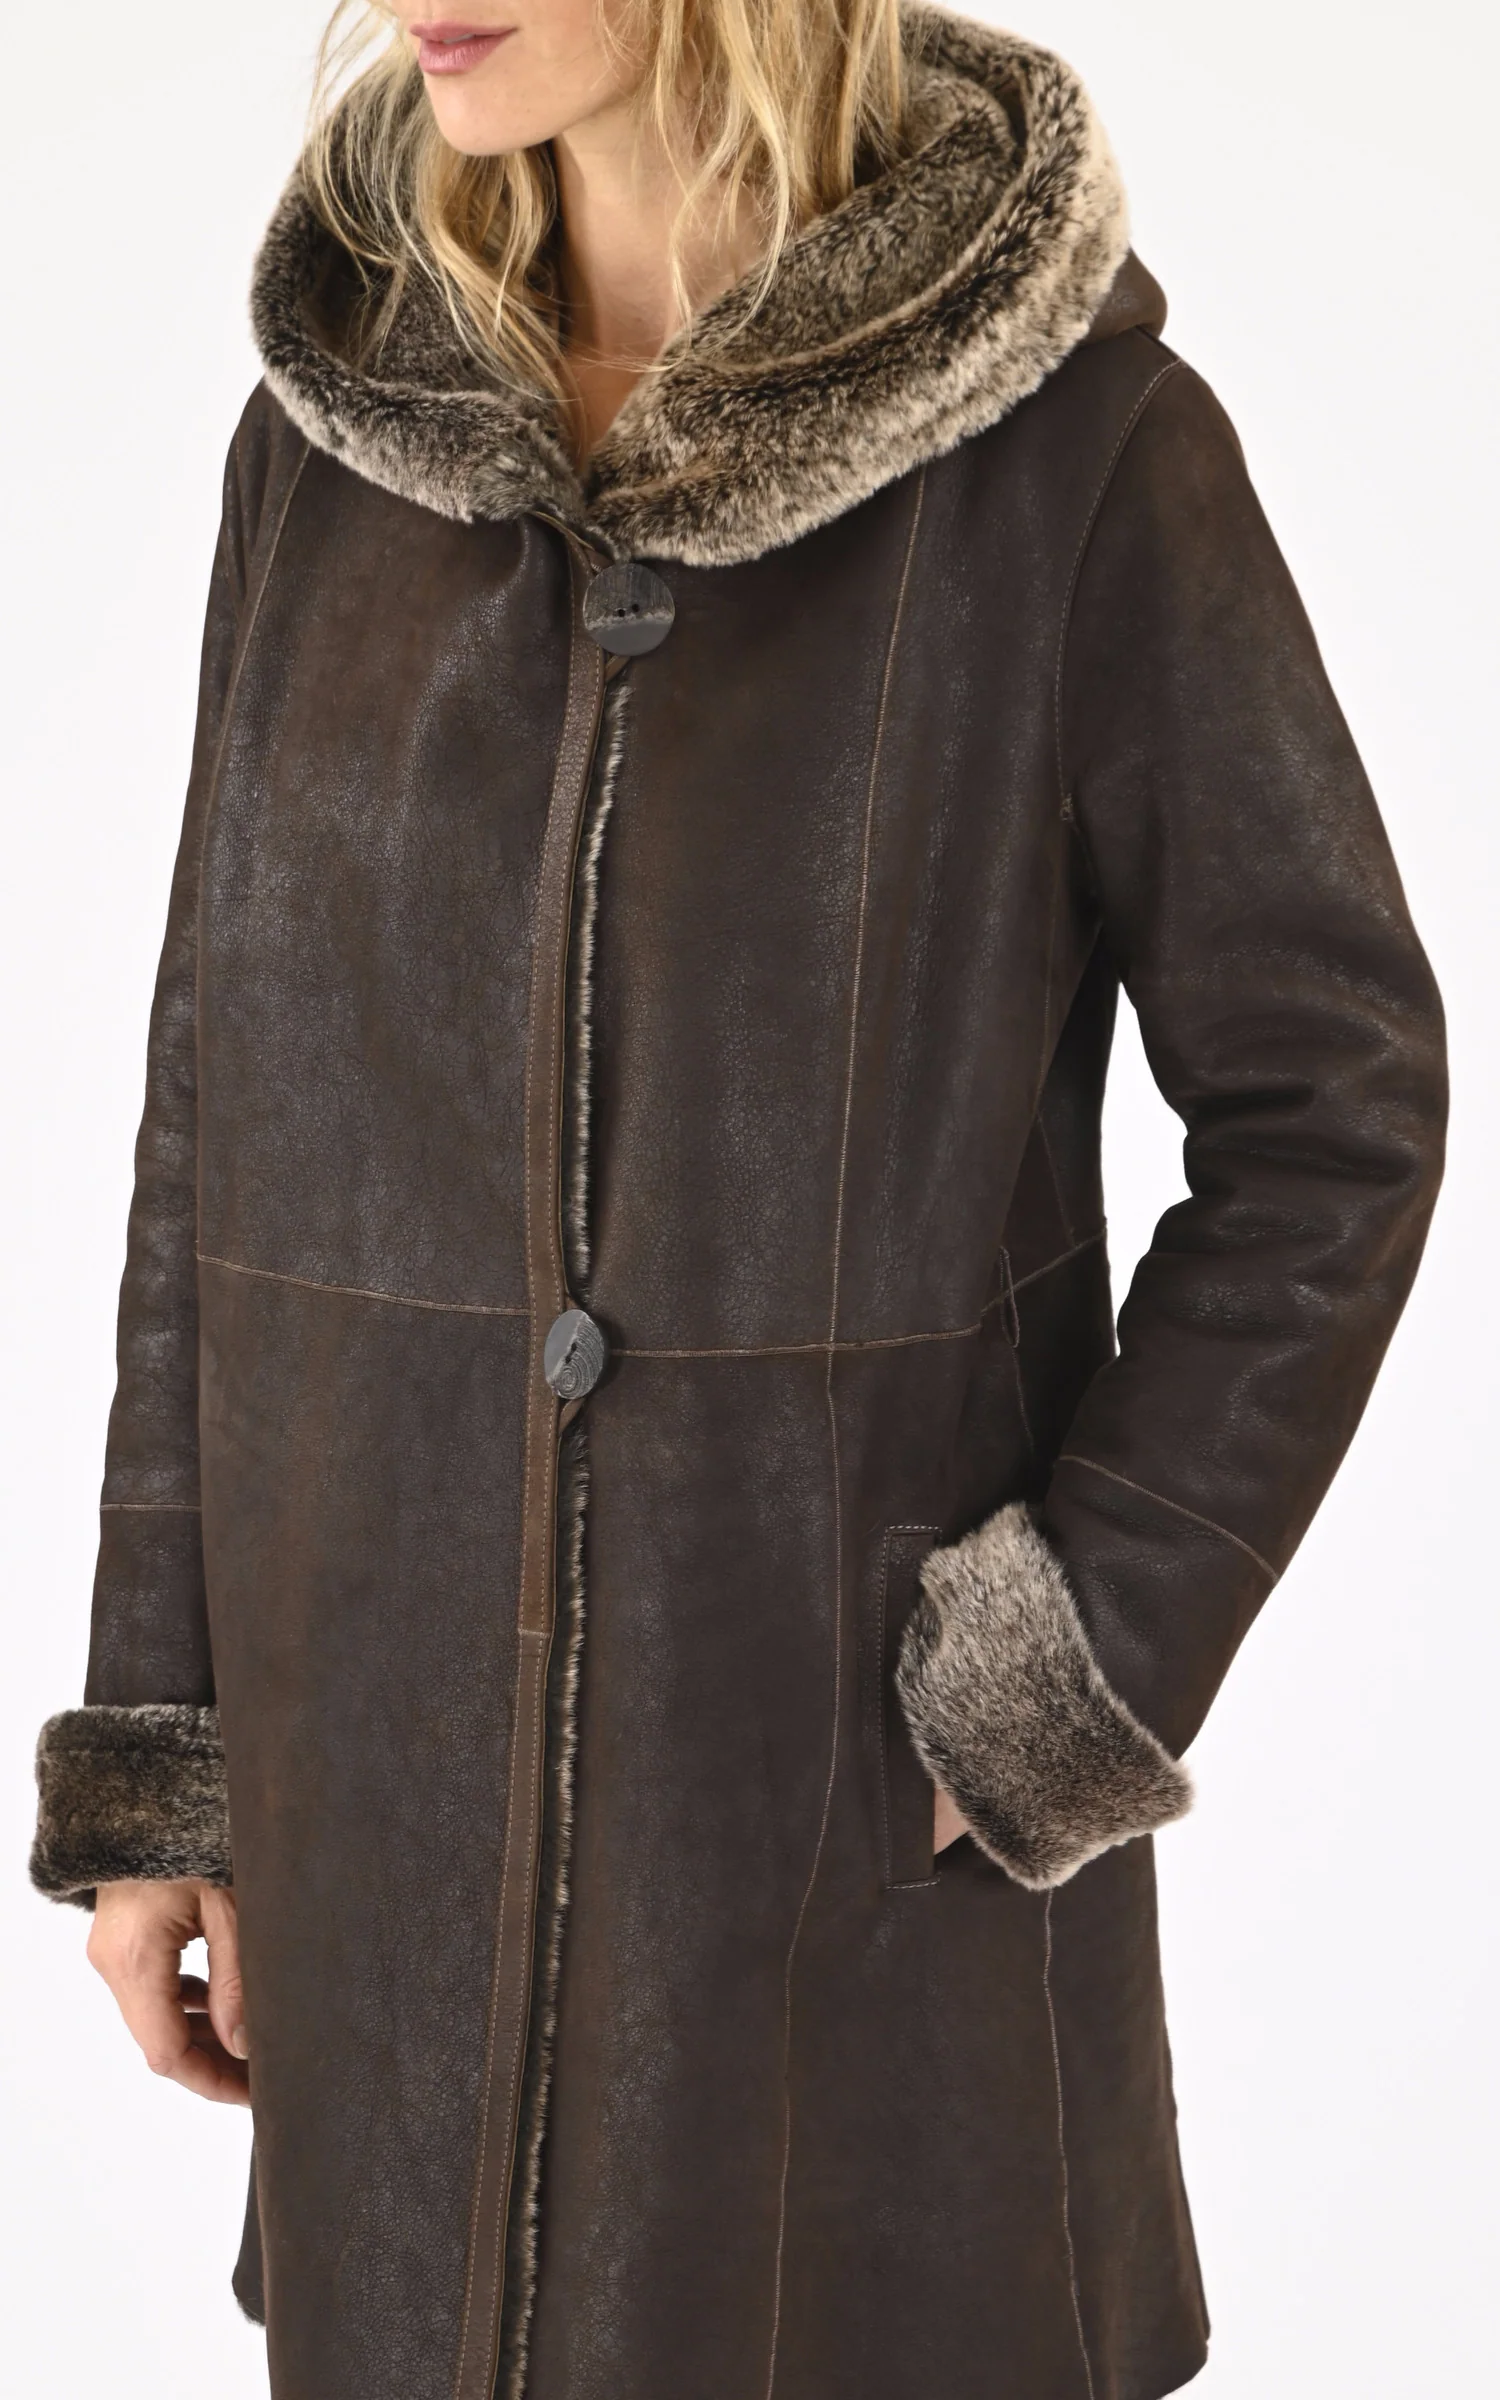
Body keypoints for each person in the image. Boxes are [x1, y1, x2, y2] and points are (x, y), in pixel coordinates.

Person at [29, 5, 1446, 2396]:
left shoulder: (1076, 458)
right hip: (392, 1879)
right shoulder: (332, 451)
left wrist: (1058, 1671)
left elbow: (1336, 1103)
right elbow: (215, 1108)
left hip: (839, 1884)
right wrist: (173, 1744)